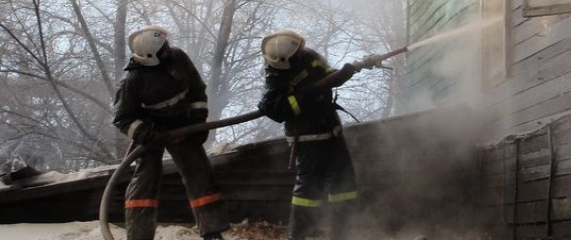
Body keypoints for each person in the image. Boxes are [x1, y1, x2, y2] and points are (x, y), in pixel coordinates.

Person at [257, 30, 382, 240]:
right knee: (308, 189)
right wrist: (307, 94)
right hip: (306, 137)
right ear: (286, 59)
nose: (301, 53)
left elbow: (330, 76)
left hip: (331, 129)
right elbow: (275, 111)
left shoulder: (310, 56)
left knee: (345, 183)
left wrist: (347, 72)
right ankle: (299, 236)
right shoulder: (275, 77)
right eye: (297, 52)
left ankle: (342, 233)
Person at [113, 26, 228, 240]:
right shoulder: (132, 81)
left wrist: (198, 121)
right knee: (146, 180)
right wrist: (150, 137)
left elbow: (197, 90)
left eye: (165, 45)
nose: (168, 50)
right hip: (150, 132)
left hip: (182, 123)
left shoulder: (178, 57)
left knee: (199, 172)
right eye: (163, 50)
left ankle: (212, 231)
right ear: (149, 57)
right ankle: (139, 236)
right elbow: (123, 119)